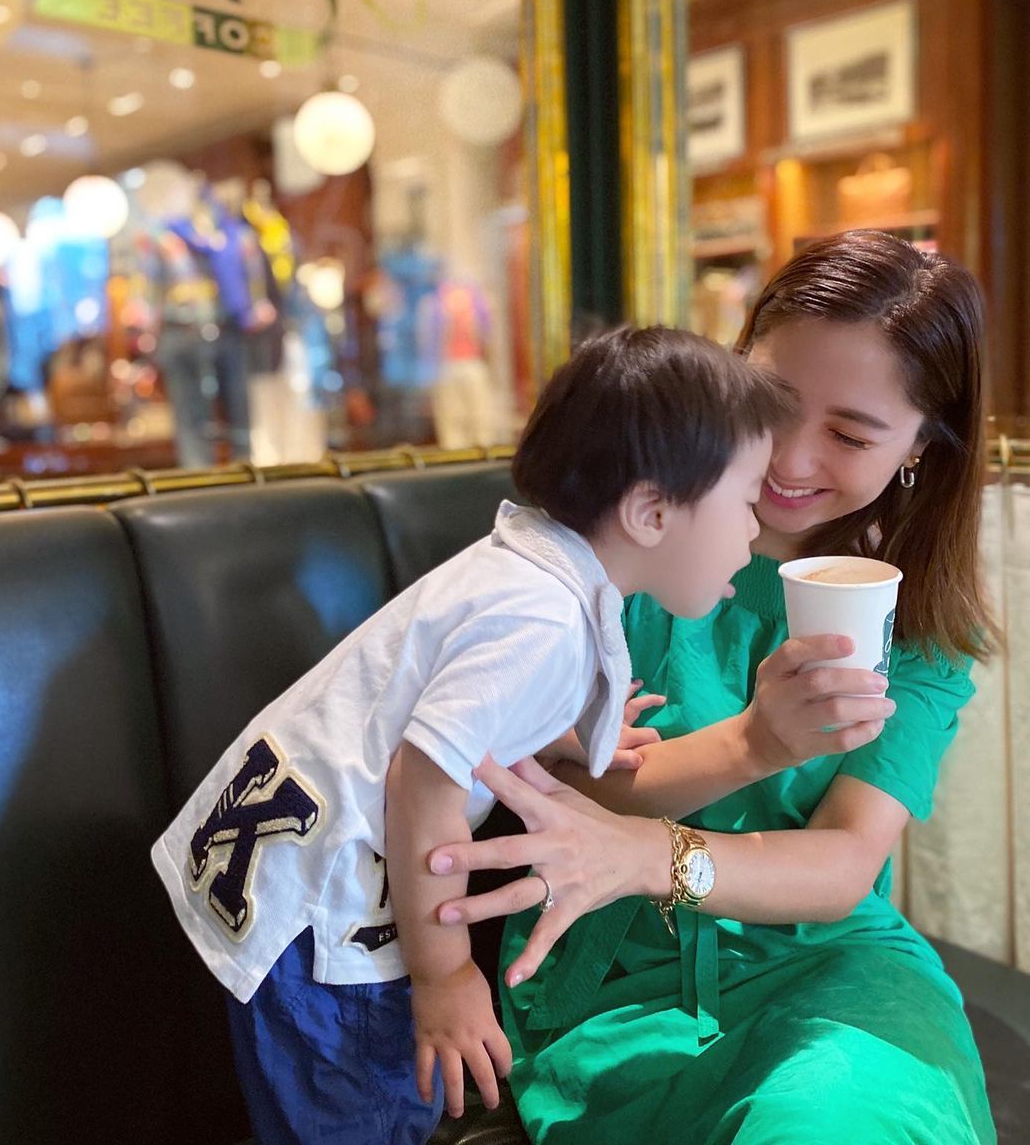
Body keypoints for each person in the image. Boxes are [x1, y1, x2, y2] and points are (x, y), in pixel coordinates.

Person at [150, 326, 795, 1144]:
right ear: (651, 510)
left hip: (267, 860)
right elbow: (421, 781)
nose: (755, 530)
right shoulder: (542, 618)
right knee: (371, 1114)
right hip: (319, 918)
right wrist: (446, 974)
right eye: (746, 499)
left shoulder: (529, 564)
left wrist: (555, 735)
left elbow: (444, 703)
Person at [429, 231, 999, 1144]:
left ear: (920, 449)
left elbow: (846, 864)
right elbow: (553, 780)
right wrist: (754, 746)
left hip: (827, 971)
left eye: (850, 434)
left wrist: (647, 854)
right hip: (610, 980)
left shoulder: (915, 622)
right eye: (771, 400)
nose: (789, 458)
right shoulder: (616, 538)